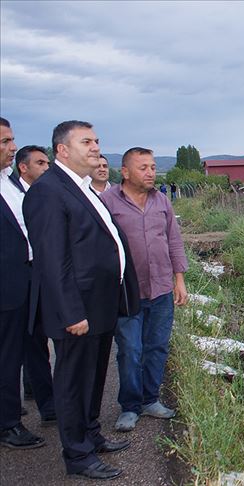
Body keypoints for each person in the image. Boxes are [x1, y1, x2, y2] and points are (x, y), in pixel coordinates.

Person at [23, 120, 139, 480]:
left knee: (94, 377)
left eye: (97, 140)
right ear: (62, 150)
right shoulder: (49, 192)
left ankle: (91, 435)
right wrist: (71, 311)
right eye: (86, 141)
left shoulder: (84, 188)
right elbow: (52, 261)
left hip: (101, 304)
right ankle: (77, 454)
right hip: (79, 310)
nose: (95, 147)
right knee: (73, 382)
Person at [101, 147, 188, 433]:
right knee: (130, 349)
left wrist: (179, 280)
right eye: (143, 167)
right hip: (126, 291)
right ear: (125, 172)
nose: (150, 172)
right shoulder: (107, 202)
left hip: (161, 288)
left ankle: (150, 399)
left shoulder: (162, 200)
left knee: (157, 347)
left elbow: (173, 241)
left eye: (152, 167)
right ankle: (129, 406)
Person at [0, 117, 46, 450]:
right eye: (4, 141)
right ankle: (7, 425)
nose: (12, 147)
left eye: (11, 140)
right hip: (6, 286)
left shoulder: (10, 184)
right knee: (6, 357)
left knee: (19, 352)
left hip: (24, 279)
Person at [13, 145, 57, 425]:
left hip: (42, 272)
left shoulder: (47, 195)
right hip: (21, 274)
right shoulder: (13, 195)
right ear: (24, 168)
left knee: (39, 336)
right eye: (40, 163)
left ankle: (47, 401)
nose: (46, 167)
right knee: (25, 339)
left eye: (47, 162)